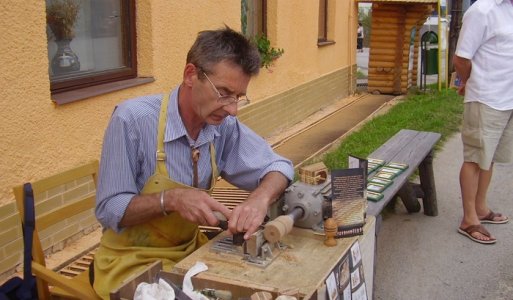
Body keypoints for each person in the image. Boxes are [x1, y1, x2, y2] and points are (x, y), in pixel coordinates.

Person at [92, 26, 294, 298]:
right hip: (129, 263)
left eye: (238, 97)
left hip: (188, 254)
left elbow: (280, 167)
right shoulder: (132, 120)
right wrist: (171, 200)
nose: (232, 109)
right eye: (224, 92)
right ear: (191, 75)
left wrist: (260, 197)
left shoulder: (222, 126)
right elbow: (109, 208)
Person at [453, 0, 512, 245]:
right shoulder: (481, 10)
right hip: (486, 97)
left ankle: (481, 209)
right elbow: (461, 59)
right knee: (475, 158)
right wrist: (468, 83)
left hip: (508, 99)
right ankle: (468, 220)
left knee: (489, 158)